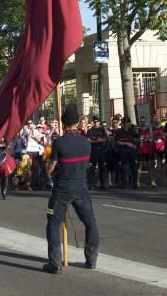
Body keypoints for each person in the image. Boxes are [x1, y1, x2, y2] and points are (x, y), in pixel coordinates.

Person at [43, 105, 99, 274]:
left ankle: (55, 263)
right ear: (76, 122)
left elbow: (50, 168)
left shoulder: (59, 142)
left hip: (62, 189)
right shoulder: (85, 142)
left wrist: (48, 168)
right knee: (90, 222)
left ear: (64, 123)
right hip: (81, 187)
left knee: (53, 224)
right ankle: (91, 260)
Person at [114, 118, 138, 189]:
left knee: (133, 167)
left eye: (128, 123)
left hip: (132, 151)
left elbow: (137, 139)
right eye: (126, 123)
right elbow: (117, 142)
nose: (127, 124)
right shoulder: (119, 131)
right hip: (123, 151)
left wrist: (135, 143)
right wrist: (126, 143)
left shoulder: (132, 131)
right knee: (123, 168)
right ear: (123, 124)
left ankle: (135, 184)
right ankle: (123, 183)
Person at [86, 118, 108, 189]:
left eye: (97, 122)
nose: (96, 123)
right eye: (95, 122)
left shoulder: (102, 130)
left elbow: (105, 139)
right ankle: (91, 184)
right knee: (92, 168)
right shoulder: (90, 130)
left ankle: (103, 184)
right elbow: (88, 140)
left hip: (101, 151)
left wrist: (96, 140)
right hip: (93, 151)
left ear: (99, 123)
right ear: (93, 123)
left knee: (102, 167)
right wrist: (97, 141)